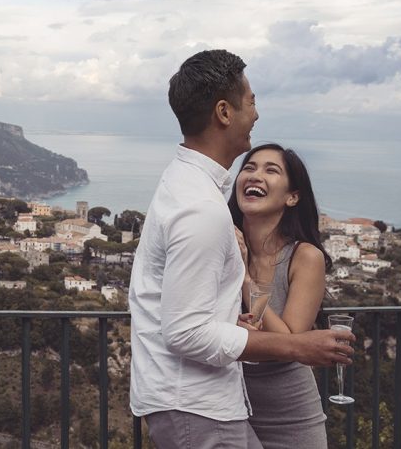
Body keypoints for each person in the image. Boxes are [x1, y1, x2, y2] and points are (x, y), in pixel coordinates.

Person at [129, 49, 354, 449]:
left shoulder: (187, 188)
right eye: (250, 102)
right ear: (224, 112)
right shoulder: (202, 208)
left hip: (211, 404)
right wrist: (297, 345)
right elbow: (186, 332)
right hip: (197, 405)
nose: (256, 114)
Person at [228, 143, 332, 449]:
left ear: (292, 196)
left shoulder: (305, 257)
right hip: (226, 409)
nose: (255, 175)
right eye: (249, 167)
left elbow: (291, 344)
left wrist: (244, 276)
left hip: (291, 419)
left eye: (271, 170)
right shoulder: (220, 245)